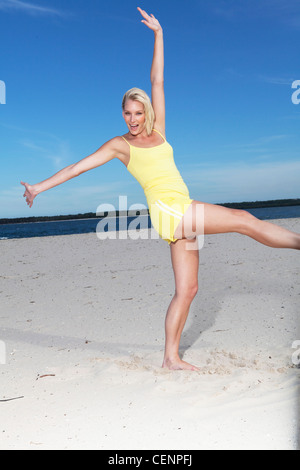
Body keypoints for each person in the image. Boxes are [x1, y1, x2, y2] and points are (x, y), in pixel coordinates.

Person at [21, 8, 300, 371]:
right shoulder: (119, 145)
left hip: (181, 206)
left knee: (188, 290)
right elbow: (77, 167)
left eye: (137, 113)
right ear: (121, 114)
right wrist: (39, 187)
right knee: (242, 218)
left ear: (146, 112)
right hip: (169, 212)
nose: (133, 120)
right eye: (127, 114)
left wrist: (159, 34)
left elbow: (158, 81)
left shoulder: (160, 131)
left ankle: (170, 358)